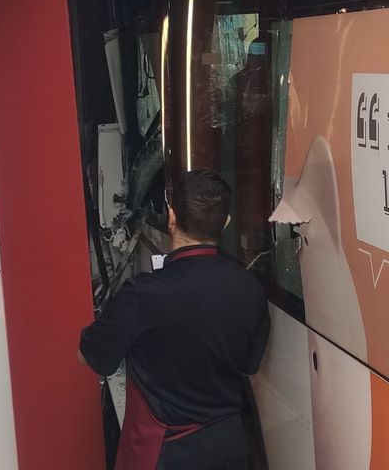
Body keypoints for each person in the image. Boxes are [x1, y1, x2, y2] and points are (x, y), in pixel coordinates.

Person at [81, 170, 271, 470]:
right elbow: (250, 365)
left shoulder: (142, 295)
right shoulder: (251, 289)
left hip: (166, 451)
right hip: (228, 446)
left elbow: (92, 357)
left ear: (171, 217)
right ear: (225, 223)